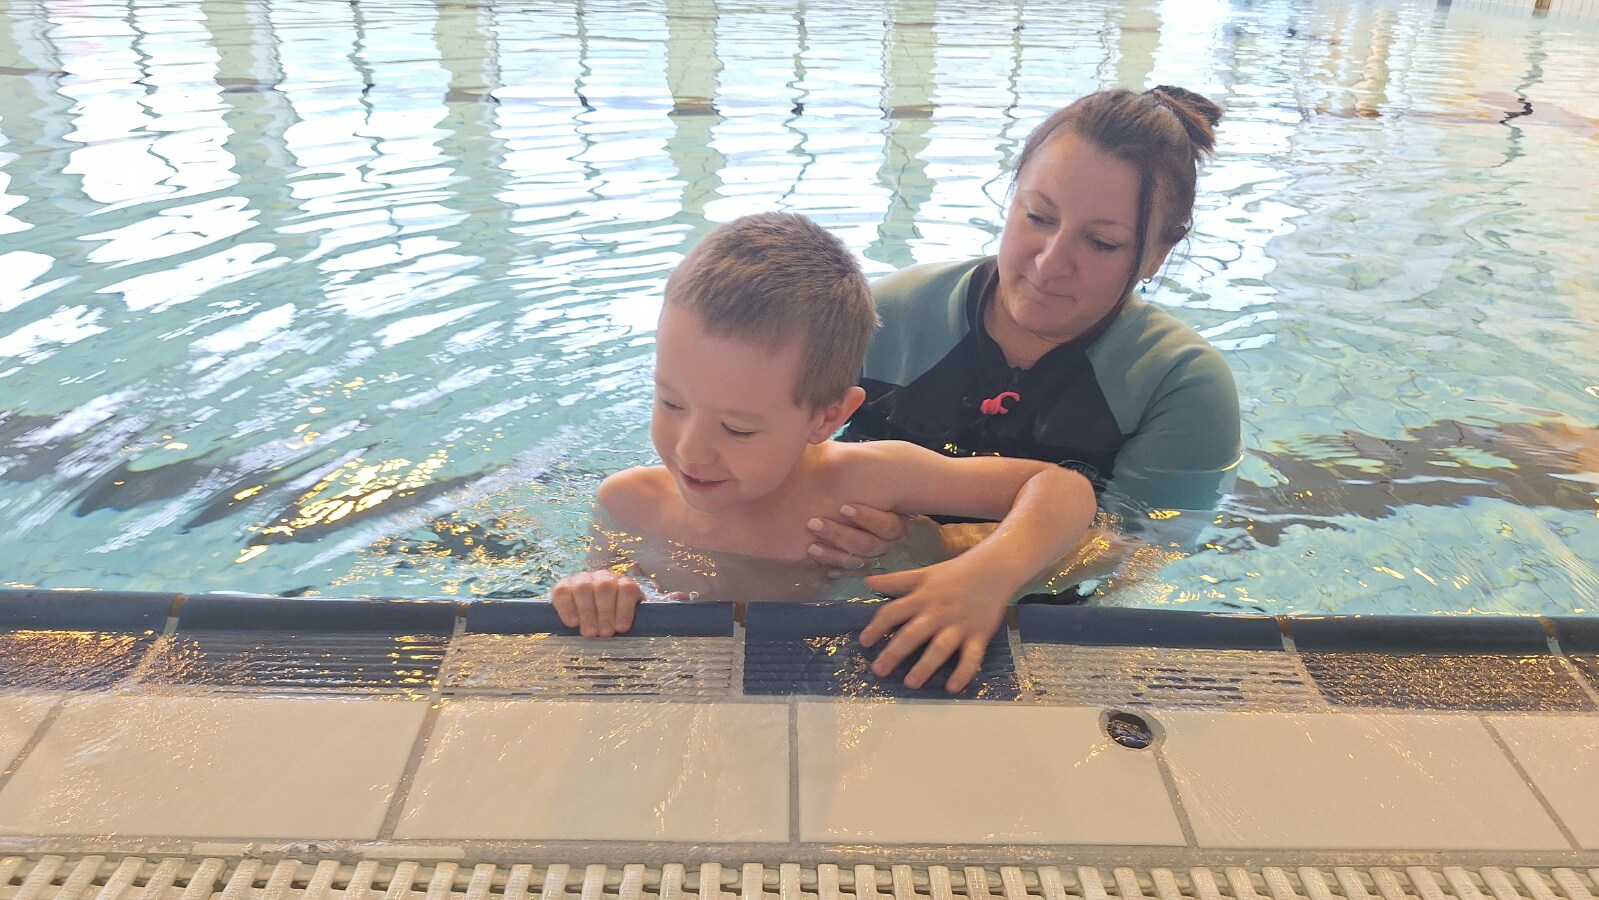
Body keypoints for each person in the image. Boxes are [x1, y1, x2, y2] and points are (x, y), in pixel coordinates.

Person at [552, 212, 1095, 692]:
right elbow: (610, 599)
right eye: (671, 402)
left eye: (738, 429)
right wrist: (593, 593)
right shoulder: (630, 505)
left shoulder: (866, 481)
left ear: (828, 418)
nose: (691, 451)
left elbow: (1064, 488)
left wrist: (985, 576)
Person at [807, 86, 1244, 614]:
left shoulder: (1179, 384)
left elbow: (1147, 549)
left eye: (1102, 242)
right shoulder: (885, 319)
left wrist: (941, 548)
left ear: (1158, 254)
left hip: (1044, 618)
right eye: (1038, 216)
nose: (1051, 263)